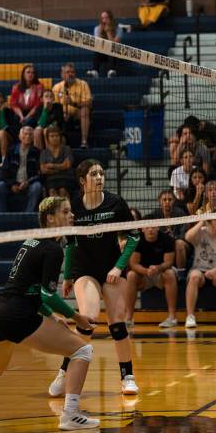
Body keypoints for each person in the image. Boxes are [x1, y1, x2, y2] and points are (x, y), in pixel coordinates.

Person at [0, 197, 99, 431]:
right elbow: (47, 294)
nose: (72, 215)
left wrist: (53, 317)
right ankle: (71, 415)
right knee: (82, 350)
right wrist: (77, 318)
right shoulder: (53, 249)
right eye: (66, 211)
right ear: (50, 218)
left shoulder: (31, 241)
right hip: (18, 314)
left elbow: (31, 290)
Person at [48, 159, 140, 397]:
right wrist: (67, 276)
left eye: (101, 173)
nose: (99, 177)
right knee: (87, 318)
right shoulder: (74, 207)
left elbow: (132, 238)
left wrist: (119, 267)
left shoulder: (116, 203)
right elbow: (70, 242)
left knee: (117, 322)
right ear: (82, 180)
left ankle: (127, 377)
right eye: (93, 174)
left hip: (111, 269)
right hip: (84, 270)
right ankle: (64, 372)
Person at [127, 216, 178, 328]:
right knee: (131, 275)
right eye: (148, 227)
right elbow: (134, 264)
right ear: (143, 228)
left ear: (158, 227)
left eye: (153, 226)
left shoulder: (167, 239)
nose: (150, 229)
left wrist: (158, 268)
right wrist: (146, 271)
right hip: (144, 275)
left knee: (170, 273)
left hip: (161, 273)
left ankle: (172, 317)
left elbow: (169, 262)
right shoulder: (137, 240)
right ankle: (129, 319)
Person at [185, 216, 216, 328]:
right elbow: (187, 237)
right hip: (199, 270)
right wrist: (202, 221)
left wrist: (213, 271)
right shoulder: (201, 232)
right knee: (194, 276)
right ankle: (190, 316)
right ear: (209, 222)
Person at [0, 126, 43, 213]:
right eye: (25, 134)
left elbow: (39, 173)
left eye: (30, 134)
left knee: (37, 187)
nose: (27, 136)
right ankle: (2, 215)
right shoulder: (11, 150)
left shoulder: (37, 152)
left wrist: (28, 182)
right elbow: (5, 171)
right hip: (13, 183)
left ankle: (28, 213)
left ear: (33, 137)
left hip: (29, 184)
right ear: (19, 136)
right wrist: (12, 184)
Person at [52, 63, 92, 149]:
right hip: (63, 114)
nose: (70, 74)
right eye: (67, 72)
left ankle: (84, 141)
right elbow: (54, 106)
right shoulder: (57, 87)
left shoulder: (83, 84)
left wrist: (73, 103)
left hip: (78, 113)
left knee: (85, 110)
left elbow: (89, 103)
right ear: (62, 74)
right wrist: (62, 114)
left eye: (72, 72)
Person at [9, 64, 44, 137]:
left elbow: (37, 105)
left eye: (33, 73)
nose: (31, 74)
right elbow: (13, 104)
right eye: (28, 72)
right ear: (23, 74)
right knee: (15, 118)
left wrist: (27, 117)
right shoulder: (16, 87)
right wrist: (21, 116)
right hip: (20, 112)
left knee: (29, 121)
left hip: (33, 112)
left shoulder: (39, 86)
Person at [40, 126, 75, 198]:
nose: (55, 138)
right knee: (52, 192)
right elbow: (43, 170)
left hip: (66, 176)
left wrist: (51, 166)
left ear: (60, 137)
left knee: (63, 191)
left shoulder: (66, 149)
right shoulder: (44, 152)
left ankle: (67, 209)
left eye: (57, 136)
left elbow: (67, 165)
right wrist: (61, 166)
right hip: (51, 179)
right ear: (48, 138)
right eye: (52, 136)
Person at [89, 10, 123, 78]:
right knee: (97, 51)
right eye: (102, 18)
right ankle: (94, 71)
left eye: (106, 18)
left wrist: (108, 32)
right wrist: (100, 33)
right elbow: (97, 44)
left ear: (111, 18)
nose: (104, 20)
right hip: (102, 52)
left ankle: (111, 71)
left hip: (114, 54)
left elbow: (115, 44)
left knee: (111, 50)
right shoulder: (97, 29)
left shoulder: (118, 29)